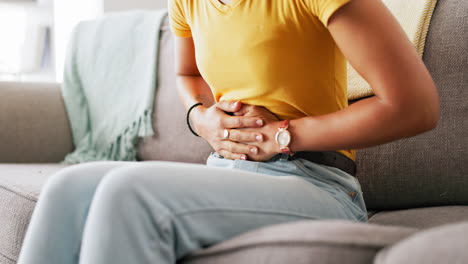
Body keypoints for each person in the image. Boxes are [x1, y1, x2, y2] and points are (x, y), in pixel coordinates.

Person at [17, 0, 440, 263]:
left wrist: (282, 137)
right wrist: (200, 118)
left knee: (126, 192)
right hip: (228, 172)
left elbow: (416, 106)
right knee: (67, 188)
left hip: (319, 184)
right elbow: (187, 74)